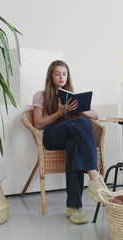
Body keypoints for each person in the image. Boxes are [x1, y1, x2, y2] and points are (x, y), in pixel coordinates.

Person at [32, 60, 110, 224]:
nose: (61, 77)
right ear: (50, 75)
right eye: (57, 73)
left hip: (71, 135)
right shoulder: (41, 95)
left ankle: (74, 207)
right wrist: (60, 112)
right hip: (52, 135)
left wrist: (80, 109)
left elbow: (95, 115)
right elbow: (38, 124)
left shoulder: (72, 96)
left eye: (64, 74)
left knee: (74, 143)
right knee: (82, 123)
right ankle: (94, 177)